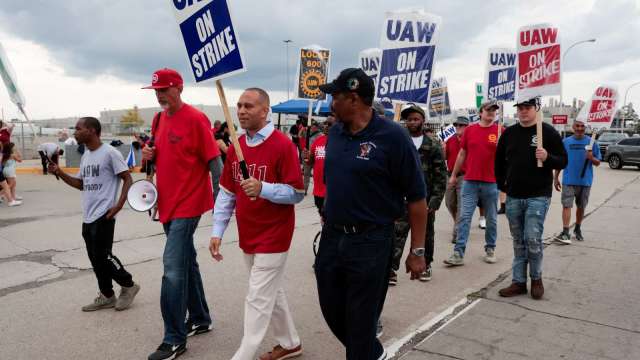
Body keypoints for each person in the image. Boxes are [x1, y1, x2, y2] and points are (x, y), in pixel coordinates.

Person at [315, 68, 428, 359]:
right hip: (332, 237)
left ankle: (364, 351)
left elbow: (417, 199)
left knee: (361, 321)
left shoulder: (393, 137)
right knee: (331, 309)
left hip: (371, 242)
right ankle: (371, 351)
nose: (330, 103)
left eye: (335, 97)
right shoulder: (336, 133)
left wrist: (417, 250)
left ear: (353, 99)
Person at [209, 88, 304, 360]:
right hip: (248, 234)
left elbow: (296, 193)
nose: (241, 110)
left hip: (275, 235)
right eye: (238, 105)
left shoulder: (283, 145)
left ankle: (244, 354)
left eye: (248, 106)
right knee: (271, 292)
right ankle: (290, 343)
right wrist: (217, 231)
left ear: (265, 111)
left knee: (258, 297)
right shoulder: (235, 147)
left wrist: (264, 188)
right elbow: (227, 193)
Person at [141, 68, 223, 360]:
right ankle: (201, 319)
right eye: (156, 91)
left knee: (172, 269)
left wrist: (221, 202)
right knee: (186, 263)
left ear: (179, 88)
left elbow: (214, 161)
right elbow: (158, 153)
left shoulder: (196, 118)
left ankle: (174, 338)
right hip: (167, 203)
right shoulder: (159, 118)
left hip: (190, 203)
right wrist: (150, 155)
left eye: (164, 89)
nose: (160, 95)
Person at [47, 117, 140, 311]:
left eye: (78, 129)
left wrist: (118, 206)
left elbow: (127, 178)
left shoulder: (110, 153)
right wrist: (60, 172)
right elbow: (81, 184)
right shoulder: (86, 156)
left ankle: (129, 286)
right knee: (94, 258)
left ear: (91, 130)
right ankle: (107, 295)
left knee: (104, 256)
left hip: (104, 214)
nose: (75, 132)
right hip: (88, 216)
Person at [495, 96, 567, 300]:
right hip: (514, 196)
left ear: (536, 108)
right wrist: (503, 185)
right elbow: (499, 163)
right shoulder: (509, 133)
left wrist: (548, 158)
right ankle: (518, 282)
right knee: (518, 241)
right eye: (520, 108)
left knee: (532, 239)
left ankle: (536, 279)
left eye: (527, 107)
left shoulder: (547, 132)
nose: (523, 111)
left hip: (538, 195)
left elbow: (564, 160)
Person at [389, 105, 447, 285]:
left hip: (425, 200)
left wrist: (435, 201)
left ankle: (426, 265)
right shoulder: (400, 142)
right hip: (401, 199)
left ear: (423, 120)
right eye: (409, 119)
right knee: (397, 234)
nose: (412, 122)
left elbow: (440, 176)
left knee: (426, 235)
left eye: (416, 119)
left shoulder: (433, 145)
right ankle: (391, 268)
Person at [445, 101, 501, 266]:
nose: (491, 112)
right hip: (470, 181)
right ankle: (458, 253)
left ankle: (490, 249)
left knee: (491, 218)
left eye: (494, 110)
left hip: (491, 183)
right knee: (464, 217)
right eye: (488, 109)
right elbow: (462, 154)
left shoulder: (500, 131)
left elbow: (508, 158)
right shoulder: (470, 130)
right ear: (480, 112)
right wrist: (454, 175)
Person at [553, 119, 601, 244]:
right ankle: (565, 232)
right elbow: (560, 161)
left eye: (582, 126)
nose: (580, 128)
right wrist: (555, 177)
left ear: (586, 128)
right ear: (573, 127)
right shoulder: (565, 142)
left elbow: (598, 163)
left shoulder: (592, 143)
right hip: (568, 180)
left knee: (581, 206)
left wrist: (591, 158)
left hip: (585, 181)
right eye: (577, 126)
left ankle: (578, 228)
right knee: (566, 205)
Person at [443, 115, 469, 243]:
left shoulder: (470, 140)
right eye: (456, 125)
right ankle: (459, 224)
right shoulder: (450, 140)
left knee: (461, 206)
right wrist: (441, 149)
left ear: (466, 127)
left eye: (461, 125)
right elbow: (444, 157)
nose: (458, 127)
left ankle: (457, 234)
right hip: (450, 175)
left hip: (465, 176)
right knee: (449, 203)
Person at [305, 115, 335, 217]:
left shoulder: (341, 142)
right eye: (325, 123)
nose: (326, 126)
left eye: (330, 124)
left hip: (332, 192)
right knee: (322, 217)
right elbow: (310, 161)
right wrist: (307, 157)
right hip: (318, 190)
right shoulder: (318, 140)